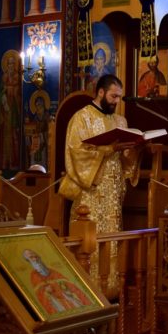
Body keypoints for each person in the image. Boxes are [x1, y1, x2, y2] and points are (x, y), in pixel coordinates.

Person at [59, 74, 143, 297]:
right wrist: (107, 149)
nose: (117, 101)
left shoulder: (120, 121)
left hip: (114, 194)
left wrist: (135, 148)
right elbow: (75, 153)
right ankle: (86, 294)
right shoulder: (81, 119)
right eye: (114, 96)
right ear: (101, 92)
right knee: (91, 242)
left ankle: (112, 292)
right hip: (91, 194)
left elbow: (126, 162)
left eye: (119, 97)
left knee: (112, 241)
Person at [22, 249, 92, 315]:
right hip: (55, 302)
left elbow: (70, 284)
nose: (35, 259)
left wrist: (65, 287)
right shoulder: (34, 275)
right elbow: (40, 293)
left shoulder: (52, 271)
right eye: (31, 257)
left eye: (35, 256)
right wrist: (46, 291)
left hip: (66, 296)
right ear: (29, 261)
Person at [0, 51, 22, 170]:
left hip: (14, 111)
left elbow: (19, 94)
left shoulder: (18, 77)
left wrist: (13, 91)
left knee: (14, 136)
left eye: (13, 63)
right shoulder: (4, 77)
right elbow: (1, 93)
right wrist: (4, 100)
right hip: (6, 112)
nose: (11, 66)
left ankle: (14, 162)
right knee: (5, 137)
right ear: (6, 65)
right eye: (9, 64)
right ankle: (5, 162)